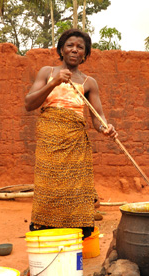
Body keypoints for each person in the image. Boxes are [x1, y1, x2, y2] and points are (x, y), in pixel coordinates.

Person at [24, 28, 118, 244]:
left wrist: (106, 128)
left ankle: (73, 246)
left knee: (76, 194)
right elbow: (29, 103)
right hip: (49, 142)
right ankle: (47, 241)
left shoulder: (88, 82)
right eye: (70, 46)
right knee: (48, 192)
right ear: (61, 50)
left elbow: (97, 117)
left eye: (80, 47)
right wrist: (54, 82)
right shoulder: (47, 72)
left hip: (75, 144)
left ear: (85, 55)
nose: (75, 50)